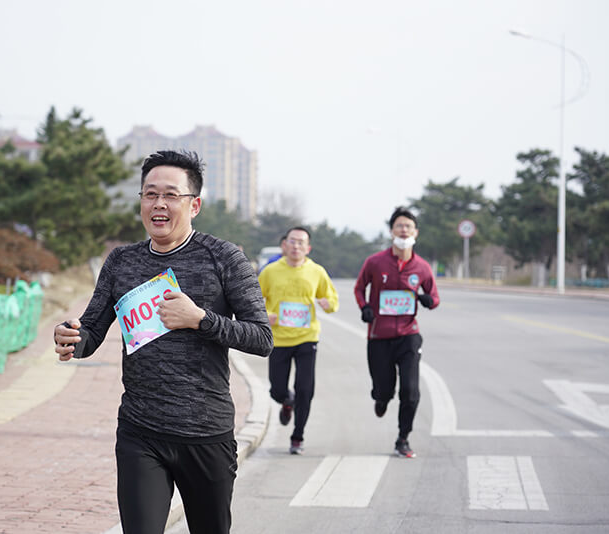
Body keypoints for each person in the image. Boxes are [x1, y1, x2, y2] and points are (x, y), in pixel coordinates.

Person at [53, 150, 273, 534]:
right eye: (150, 194)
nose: (159, 203)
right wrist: (73, 337)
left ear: (195, 204)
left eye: (171, 195)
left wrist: (200, 319)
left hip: (205, 434)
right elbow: (92, 331)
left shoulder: (224, 259)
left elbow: (262, 338)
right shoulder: (121, 261)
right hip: (141, 432)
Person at [353, 207, 439, 459]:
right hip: (378, 337)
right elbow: (359, 289)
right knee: (384, 390)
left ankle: (403, 438)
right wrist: (365, 307)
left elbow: (434, 298)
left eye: (408, 226)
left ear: (416, 233)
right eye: (399, 226)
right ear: (391, 231)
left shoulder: (422, 267)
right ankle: (381, 399)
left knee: (410, 391)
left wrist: (427, 300)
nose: (404, 230)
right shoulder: (375, 262)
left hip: (408, 335)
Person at [258, 227, 339, 455]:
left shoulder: (316, 271)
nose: (296, 246)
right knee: (277, 390)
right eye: (292, 242)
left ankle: (297, 436)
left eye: (301, 243)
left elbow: (332, 299)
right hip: (279, 339)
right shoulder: (270, 271)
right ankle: (286, 401)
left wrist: (327, 304)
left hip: (307, 337)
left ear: (308, 248)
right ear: (284, 245)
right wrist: (265, 315)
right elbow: (253, 300)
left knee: (306, 389)